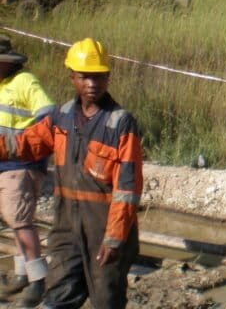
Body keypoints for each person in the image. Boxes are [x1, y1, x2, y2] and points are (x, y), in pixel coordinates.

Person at [0, 38, 143, 309]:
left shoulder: (120, 123)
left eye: (99, 76)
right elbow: (24, 144)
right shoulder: (61, 117)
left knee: (106, 300)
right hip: (66, 229)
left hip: (104, 232)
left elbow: (127, 190)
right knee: (58, 296)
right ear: (72, 78)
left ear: (108, 78)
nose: (92, 83)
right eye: (85, 77)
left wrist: (114, 240)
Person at [0, 35, 55, 307]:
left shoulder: (24, 82)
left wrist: (17, 144)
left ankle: (37, 280)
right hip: (5, 165)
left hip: (21, 164)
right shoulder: (2, 84)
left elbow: (49, 117)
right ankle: (23, 273)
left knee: (19, 219)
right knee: (14, 219)